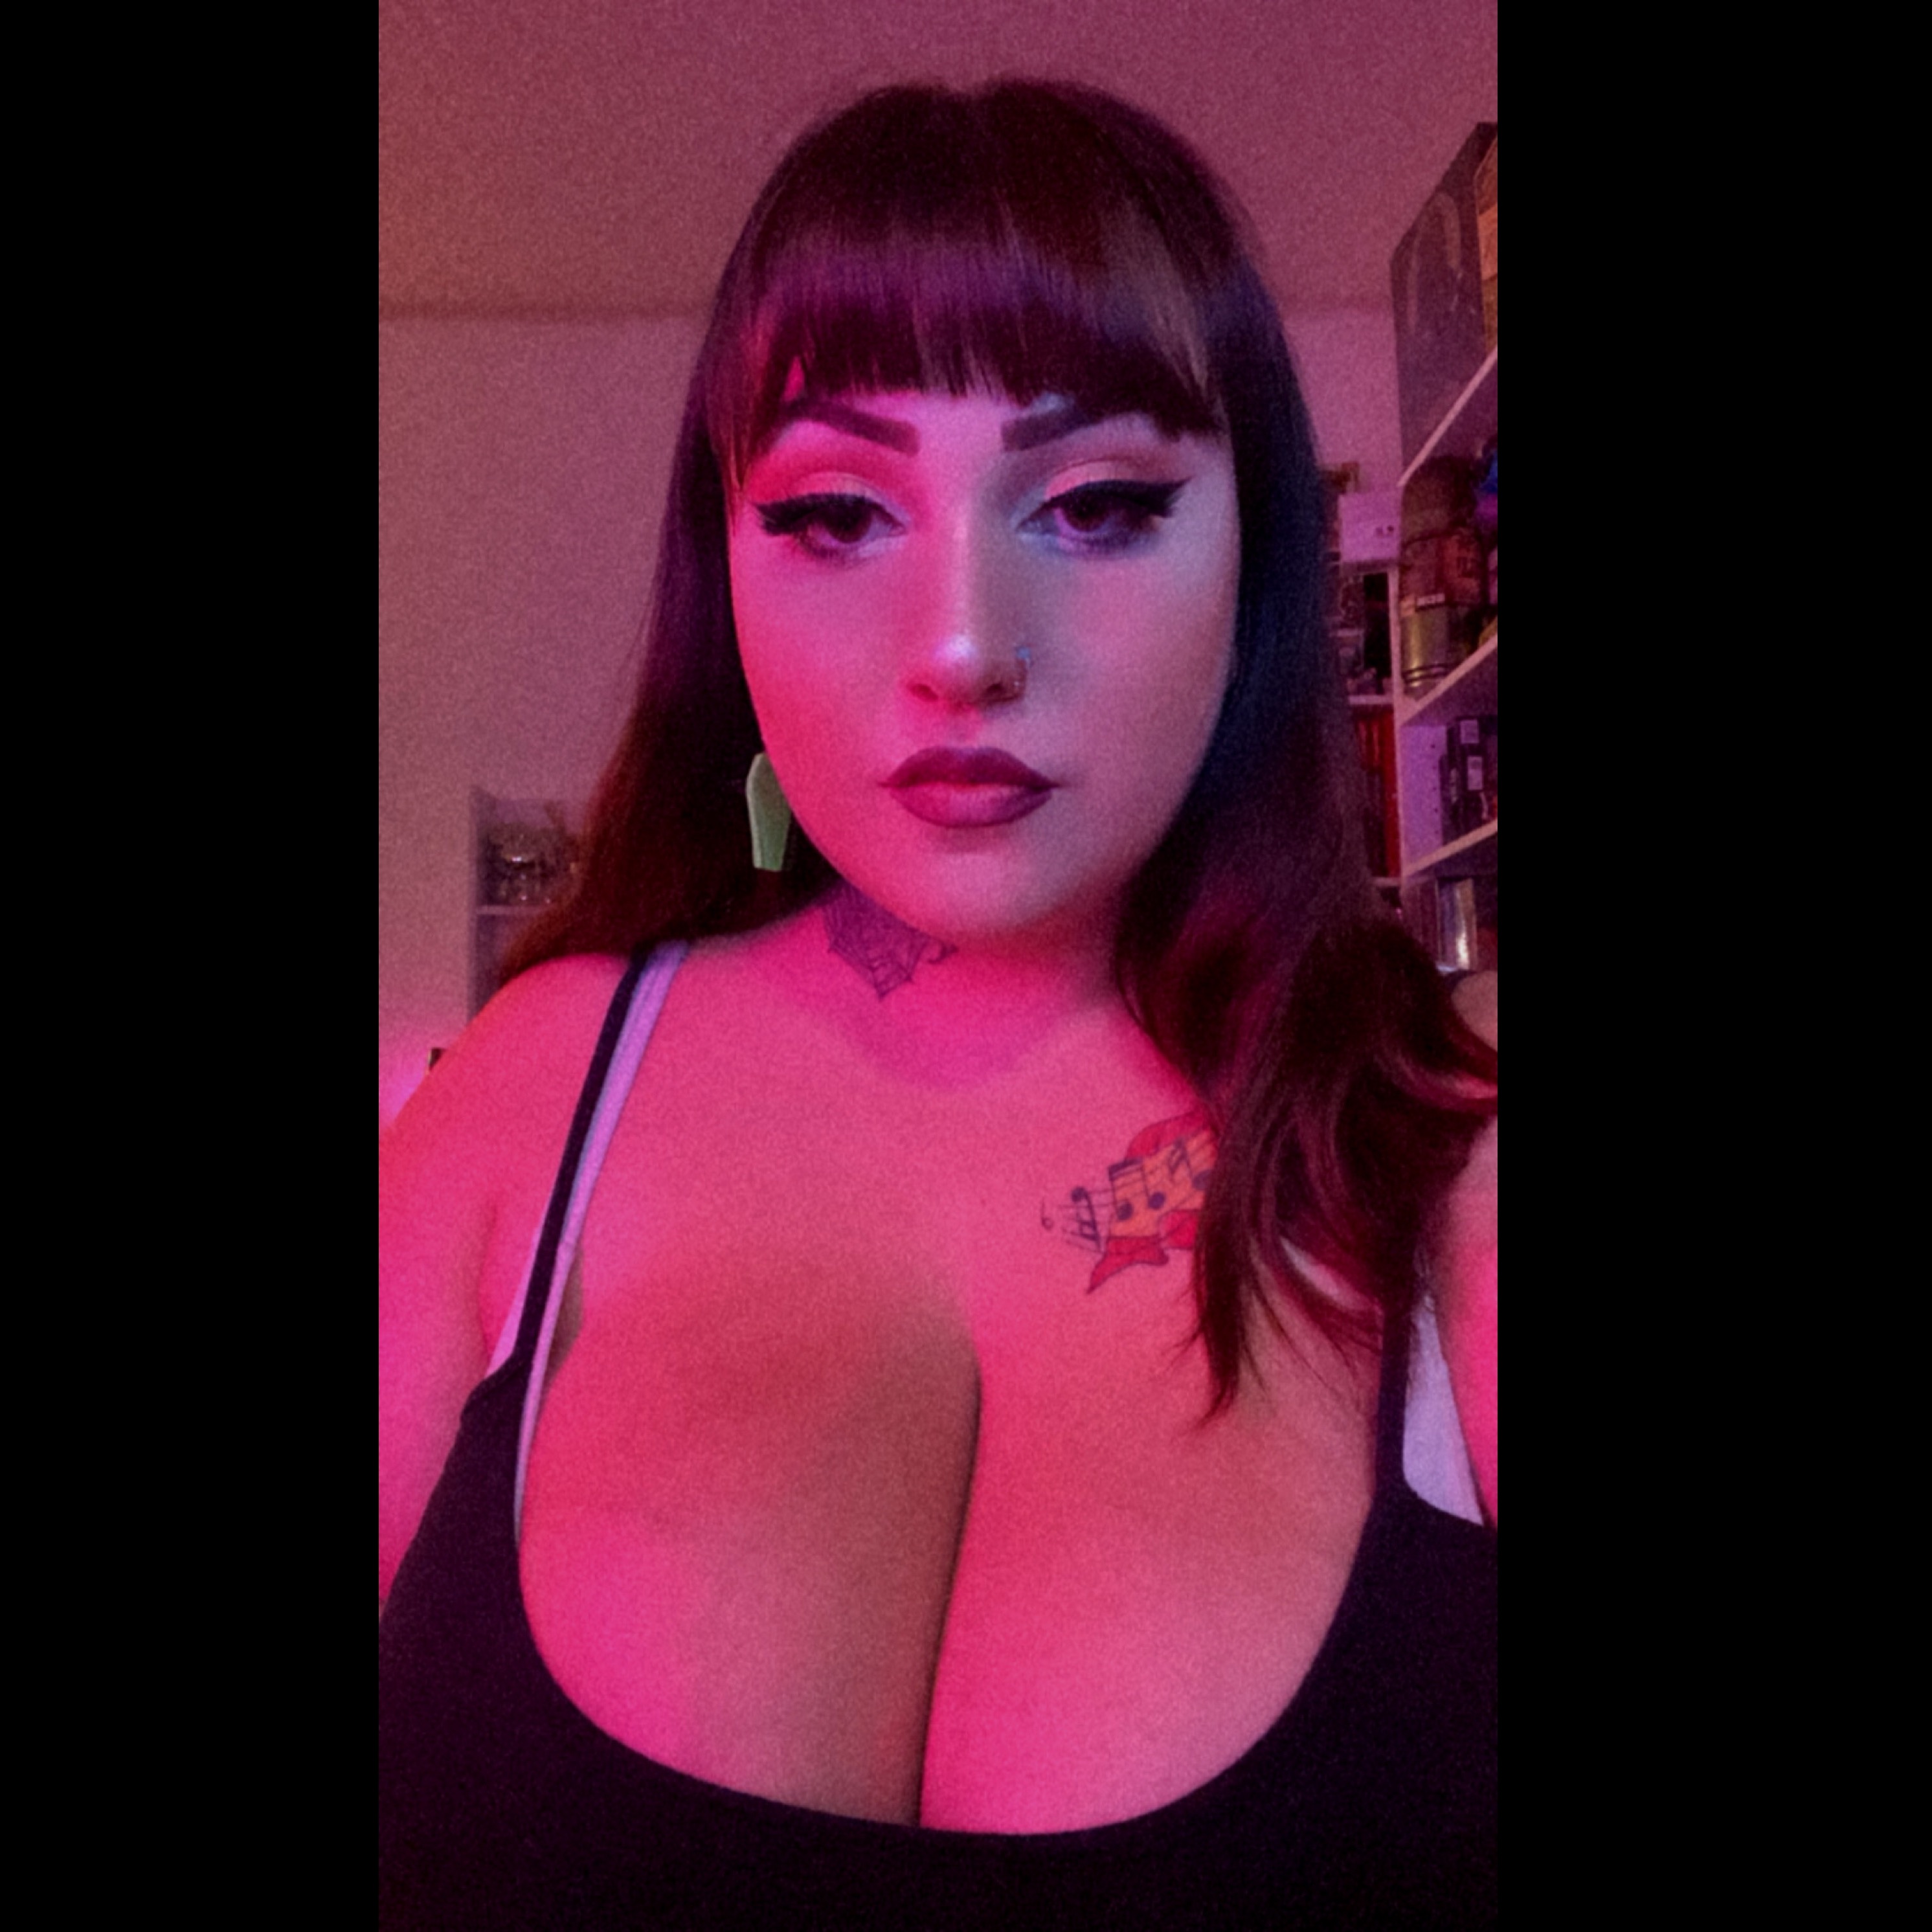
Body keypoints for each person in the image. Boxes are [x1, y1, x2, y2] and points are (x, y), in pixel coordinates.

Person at [379, 78, 1497, 1929]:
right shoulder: (533, 1095)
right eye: (835, 513)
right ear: (722, 570)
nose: (964, 646)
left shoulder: (1441, 1160)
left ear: (1260, 563)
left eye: (1100, 505)